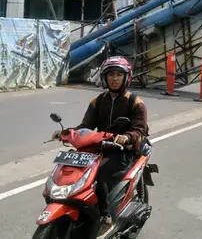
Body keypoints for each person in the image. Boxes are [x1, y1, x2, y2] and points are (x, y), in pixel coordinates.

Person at [54, 56, 149, 235]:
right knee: (75, 171)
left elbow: (140, 130)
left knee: (99, 175)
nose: (114, 78)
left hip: (123, 151)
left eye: (119, 74)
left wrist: (127, 137)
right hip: (99, 147)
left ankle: (106, 217)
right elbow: (86, 126)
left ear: (126, 77)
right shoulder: (98, 101)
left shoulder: (135, 103)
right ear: (104, 78)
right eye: (111, 74)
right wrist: (67, 132)